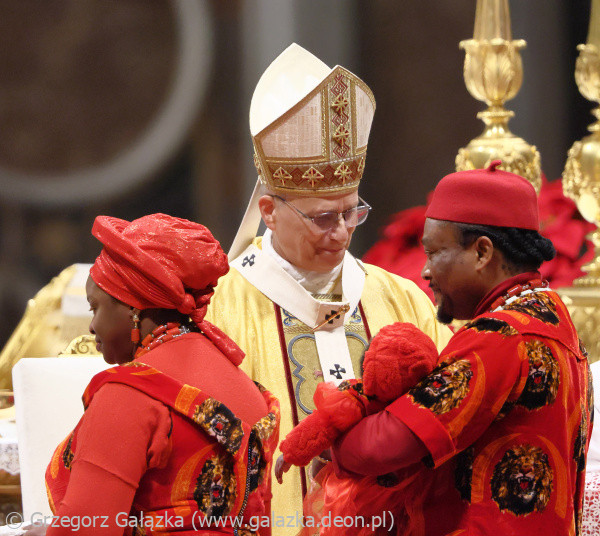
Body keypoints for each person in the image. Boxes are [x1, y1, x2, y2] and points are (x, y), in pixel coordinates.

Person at [205, 43, 452, 532]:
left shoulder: (400, 299)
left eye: (351, 212)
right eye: (321, 218)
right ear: (269, 212)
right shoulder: (222, 308)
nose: (340, 233)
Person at [332, 160, 592, 535]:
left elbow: (383, 446)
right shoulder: (555, 318)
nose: (425, 271)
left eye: (433, 252)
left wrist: (330, 440)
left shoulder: (499, 336)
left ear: (482, 253)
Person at [29, 214, 280, 536]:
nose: (91, 326)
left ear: (132, 307)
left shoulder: (129, 395)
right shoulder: (243, 385)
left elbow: (86, 529)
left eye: (95, 307)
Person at [276, 322, 438, 535]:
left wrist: (291, 453)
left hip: (407, 491)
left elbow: (322, 423)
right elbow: (322, 424)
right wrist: (291, 452)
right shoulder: (364, 397)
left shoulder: (364, 396)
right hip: (362, 493)